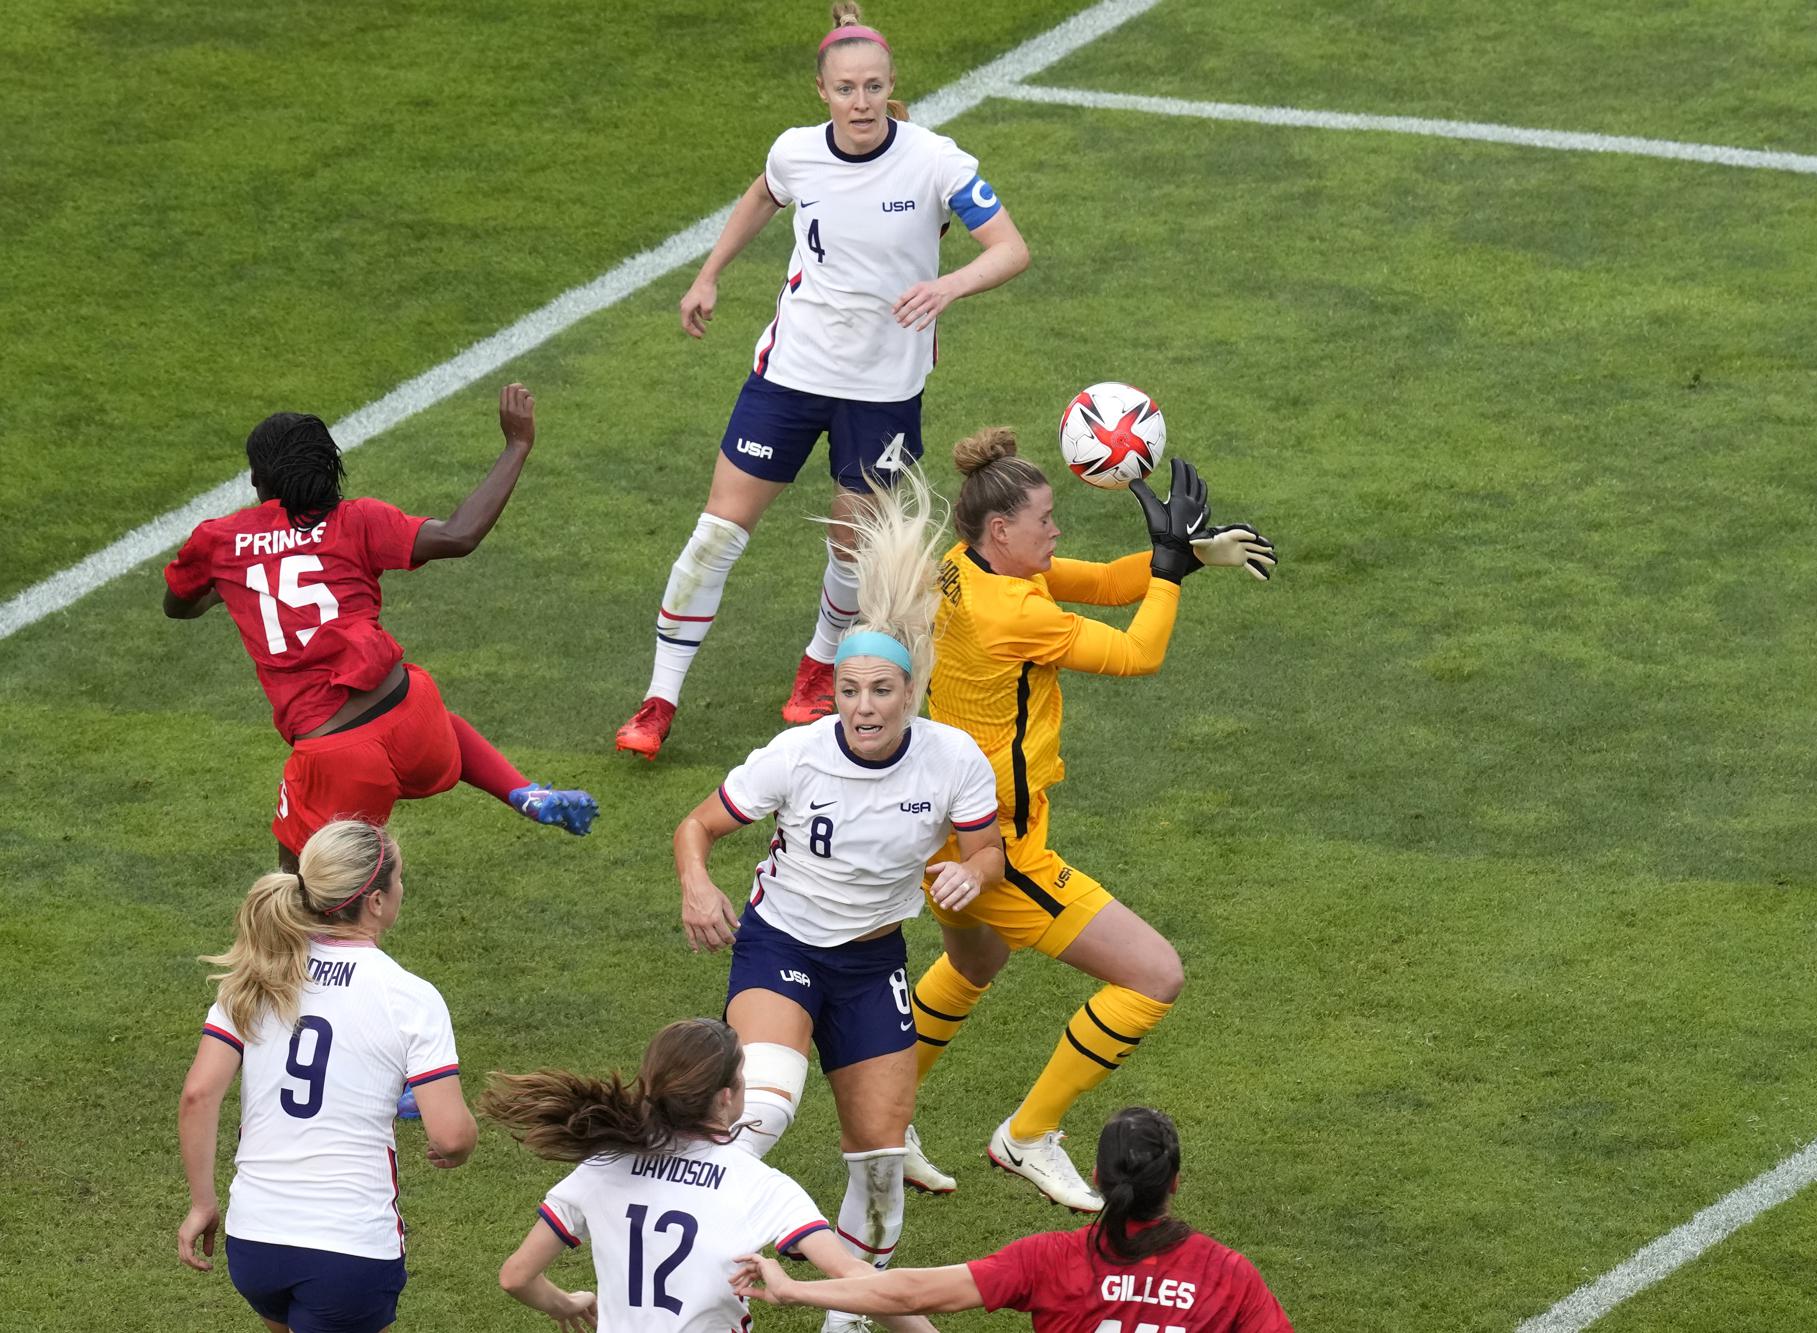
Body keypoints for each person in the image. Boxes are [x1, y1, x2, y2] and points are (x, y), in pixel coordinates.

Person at [614, 1, 1032, 761]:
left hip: (883, 388)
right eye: (846, 88)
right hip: (792, 374)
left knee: (852, 543)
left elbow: (1009, 248)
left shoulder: (938, 162)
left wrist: (949, 287)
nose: (862, 102)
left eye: (874, 87)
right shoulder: (797, 152)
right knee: (715, 535)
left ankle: (817, 665)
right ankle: (659, 697)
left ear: (892, 85)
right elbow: (761, 195)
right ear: (822, 91)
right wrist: (709, 274)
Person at [901, 430, 1275, 1210]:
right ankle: (1028, 1134)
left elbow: (1105, 581)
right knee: (1153, 973)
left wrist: (1188, 557)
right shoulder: (1011, 615)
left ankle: (885, 1110)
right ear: (1001, 530)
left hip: (943, 825)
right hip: (997, 848)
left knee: (973, 966)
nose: (1056, 529)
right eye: (1045, 518)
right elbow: (1140, 652)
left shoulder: (964, 567)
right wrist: (1169, 576)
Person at [671, 471, 1003, 1331]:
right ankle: (697, 1290)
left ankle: (846, 1319)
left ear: (907, 695)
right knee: (764, 1108)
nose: (862, 706)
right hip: (781, 944)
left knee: (883, 1167)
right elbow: (696, 826)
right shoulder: (798, 753)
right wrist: (697, 884)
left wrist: (976, 874)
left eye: (880, 691)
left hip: (870, 963)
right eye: (850, 690)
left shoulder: (953, 758)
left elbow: (988, 851)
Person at [163, 383, 597, 870]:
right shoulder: (359, 520)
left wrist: (231, 585)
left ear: (257, 482)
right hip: (415, 717)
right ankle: (522, 791)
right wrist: (517, 444)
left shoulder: (218, 543)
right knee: (435, 719)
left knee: (296, 894)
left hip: (336, 756)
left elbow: (177, 605)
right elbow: (459, 535)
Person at [176, 819, 478, 1333]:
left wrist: (203, 1201)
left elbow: (198, 1094)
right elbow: (450, 1134)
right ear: (377, 902)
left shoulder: (257, 976)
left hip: (256, 1244)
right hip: (348, 1251)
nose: (404, 888)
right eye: (400, 879)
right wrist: (459, 1147)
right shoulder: (409, 997)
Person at [485, 1018, 938, 1333]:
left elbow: (516, 1276)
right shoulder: (760, 1186)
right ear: (726, 1097)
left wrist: (567, 1303)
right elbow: (855, 1277)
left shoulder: (601, 1166)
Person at [730, 1106, 1295, 1331]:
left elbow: (906, 1295)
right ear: (1173, 1184)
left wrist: (795, 1291)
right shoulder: (1227, 1274)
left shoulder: (1052, 1260)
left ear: (1095, 1179)